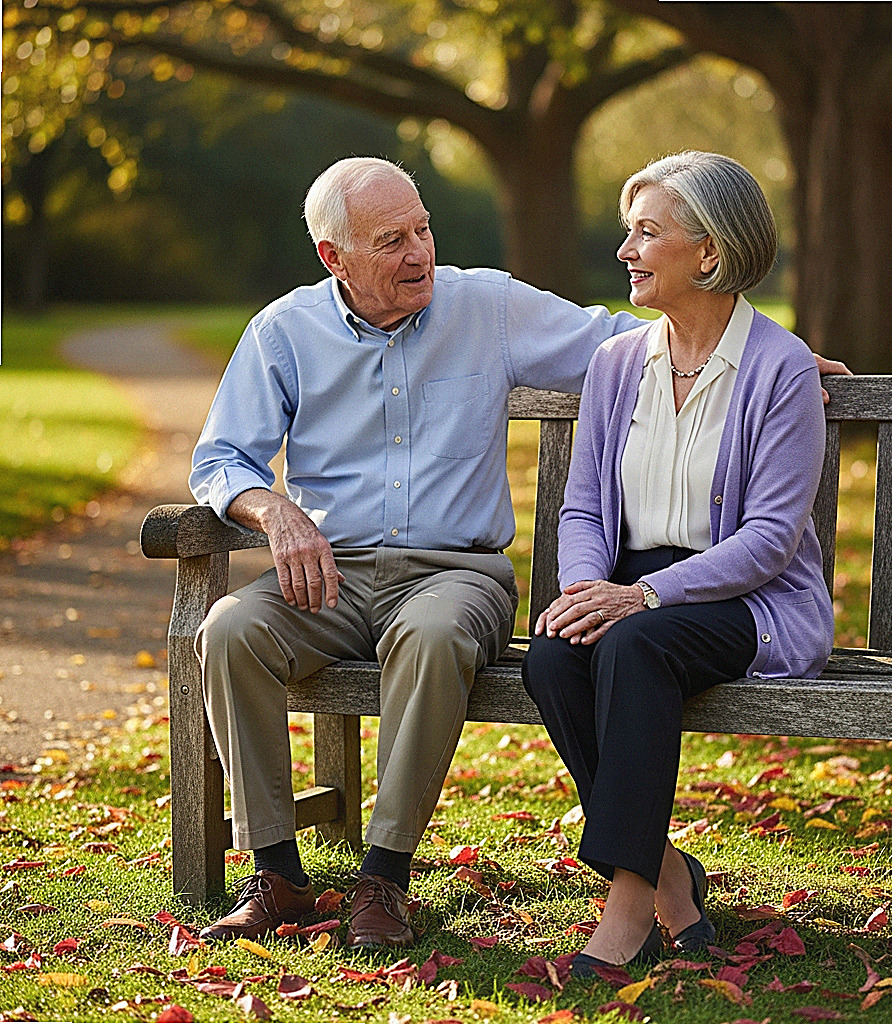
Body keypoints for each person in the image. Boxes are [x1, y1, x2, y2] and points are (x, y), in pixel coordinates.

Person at [189, 156, 846, 949]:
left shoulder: (486, 306)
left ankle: (384, 879)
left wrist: (773, 354)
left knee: (438, 637)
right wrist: (272, 511)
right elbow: (220, 458)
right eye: (392, 241)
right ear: (335, 257)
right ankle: (279, 874)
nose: (419, 254)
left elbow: (631, 335)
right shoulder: (285, 331)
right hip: (330, 571)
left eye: (424, 230)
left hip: (452, 574)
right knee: (226, 629)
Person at [521, 151, 835, 979]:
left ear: (711, 252)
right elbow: (583, 508)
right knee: (555, 653)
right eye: (630, 231)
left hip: (748, 598)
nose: (626, 249)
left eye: (647, 231)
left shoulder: (780, 369)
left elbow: (770, 541)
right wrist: (591, 590)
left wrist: (645, 595)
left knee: (633, 645)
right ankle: (668, 877)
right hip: (631, 584)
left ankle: (628, 909)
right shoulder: (618, 364)